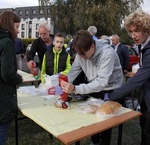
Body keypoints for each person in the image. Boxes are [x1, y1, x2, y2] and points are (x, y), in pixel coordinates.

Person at [57, 30, 123, 145]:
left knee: (105, 120)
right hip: (94, 86)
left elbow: (102, 82)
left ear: (92, 46)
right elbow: (74, 71)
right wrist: (63, 83)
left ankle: (104, 143)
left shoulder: (107, 53)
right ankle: (95, 142)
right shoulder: (81, 53)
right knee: (92, 118)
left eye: (83, 54)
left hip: (110, 88)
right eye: (79, 54)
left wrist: (75, 89)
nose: (81, 57)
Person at [108, 10, 150, 145]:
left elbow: (139, 79)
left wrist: (112, 95)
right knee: (144, 127)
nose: (133, 35)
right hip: (145, 95)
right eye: (131, 32)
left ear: (146, 29)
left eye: (137, 31)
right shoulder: (142, 46)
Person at [0, 11, 23, 145]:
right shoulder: (7, 42)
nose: (18, 31)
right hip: (3, 98)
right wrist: (18, 79)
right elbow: (7, 73)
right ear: (9, 25)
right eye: (17, 27)